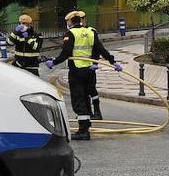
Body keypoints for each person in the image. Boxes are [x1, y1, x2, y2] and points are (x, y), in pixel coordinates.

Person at [45, 10, 121, 140]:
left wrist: (53, 62)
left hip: (77, 71)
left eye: (67, 22)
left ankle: (83, 131)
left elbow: (66, 53)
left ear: (70, 22)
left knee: (78, 99)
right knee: (86, 97)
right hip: (89, 70)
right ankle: (87, 123)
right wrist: (113, 62)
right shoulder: (91, 32)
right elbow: (101, 49)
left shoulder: (71, 33)